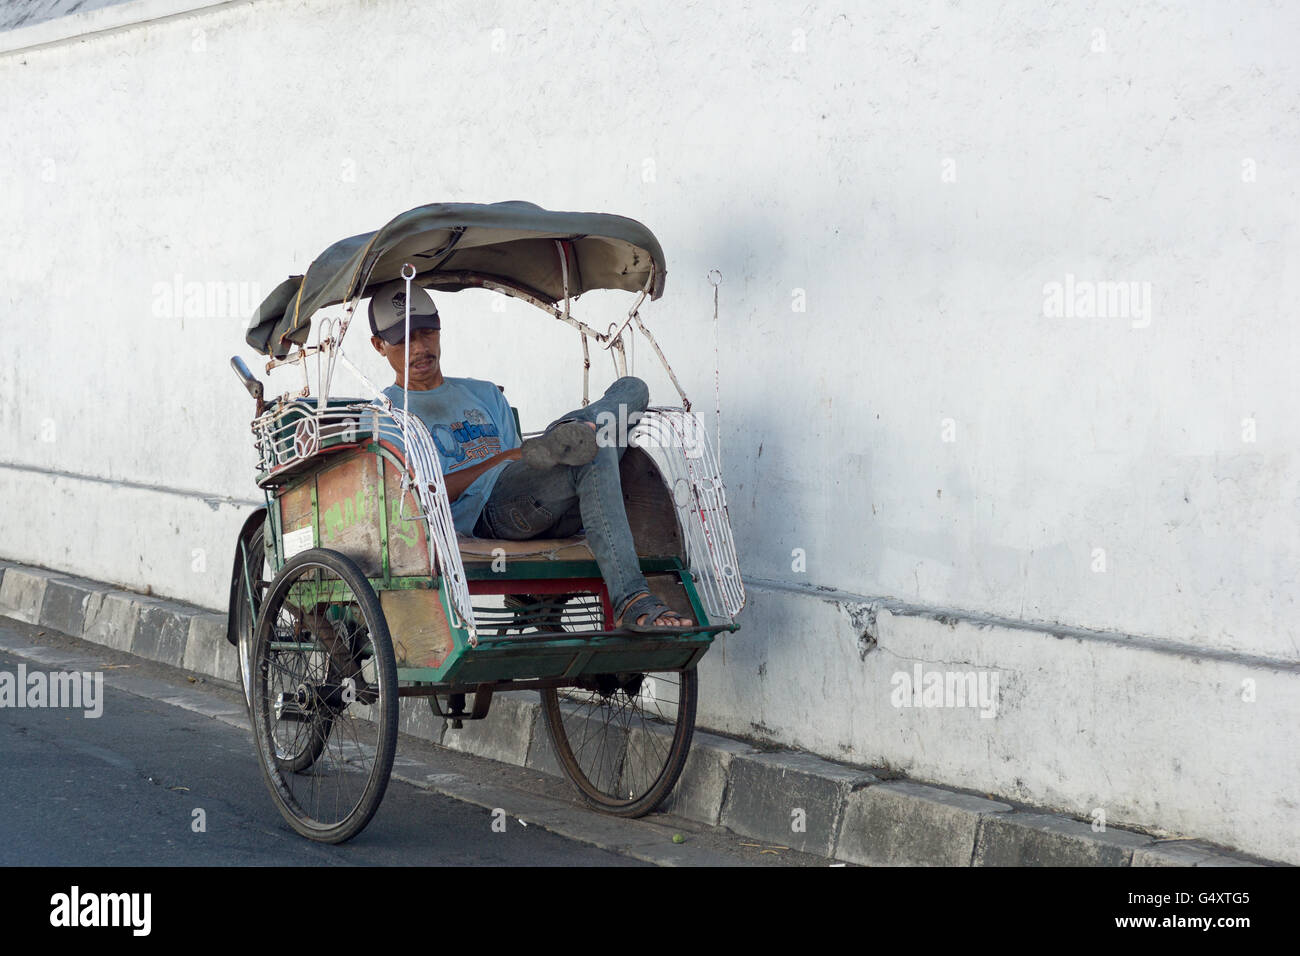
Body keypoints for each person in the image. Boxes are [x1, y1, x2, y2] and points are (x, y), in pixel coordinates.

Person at [367, 279, 691, 631]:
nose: (420, 347)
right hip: (485, 513)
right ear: (379, 346)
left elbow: (525, 466)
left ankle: (577, 430)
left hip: (541, 499)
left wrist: (528, 455)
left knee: (632, 389)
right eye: (404, 339)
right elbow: (420, 495)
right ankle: (632, 598)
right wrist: (501, 459)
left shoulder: (485, 393)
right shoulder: (387, 412)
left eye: (428, 332)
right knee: (593, 449)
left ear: (440, 328)